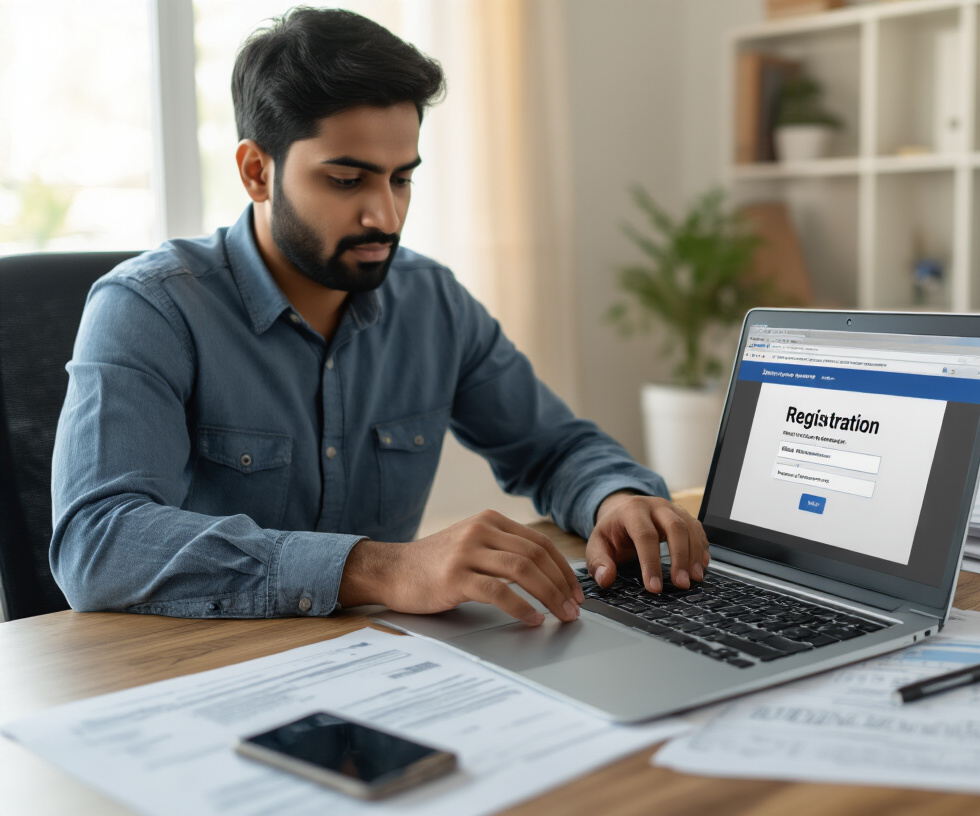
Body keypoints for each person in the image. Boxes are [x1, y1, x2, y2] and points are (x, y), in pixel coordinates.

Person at [50, 7, 708, 624]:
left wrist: (614, 498)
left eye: (401, 178)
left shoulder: (431, 301)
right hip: (201, 671)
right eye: (346, 180)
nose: (385, 217)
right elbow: (98, 540)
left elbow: (554, 447)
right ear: (257, 172)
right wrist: (379, 566)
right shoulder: (149, 307)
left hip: (387, 664)